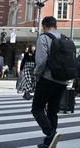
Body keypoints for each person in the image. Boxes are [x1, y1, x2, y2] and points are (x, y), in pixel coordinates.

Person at [32, 16, 67, 148]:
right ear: (56, 27)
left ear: (43, 26)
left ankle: (50, 133)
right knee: (53, 110)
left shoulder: (44, 37)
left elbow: (41, 61)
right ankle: (49, 142)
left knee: (37, 108)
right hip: (63, 80)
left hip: (48, 78)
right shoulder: (64, 38)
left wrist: (37, 74)